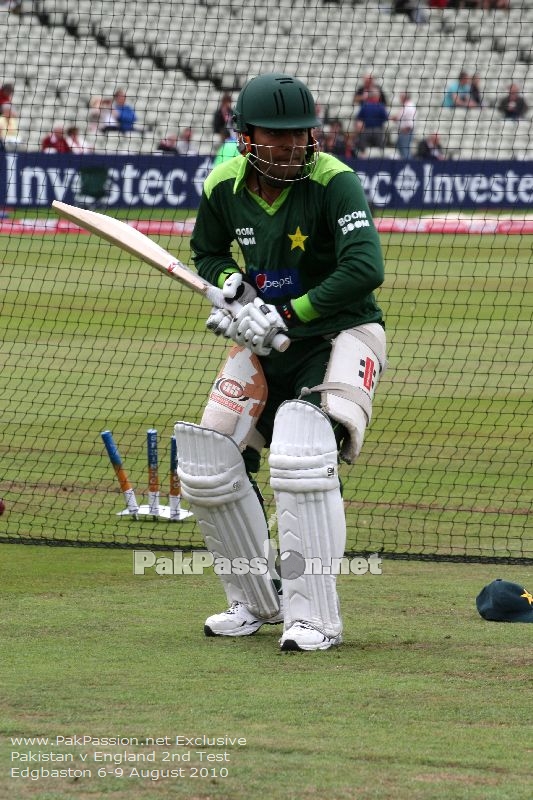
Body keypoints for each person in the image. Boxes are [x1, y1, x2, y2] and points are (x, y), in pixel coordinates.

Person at [175, 73, 386, 653]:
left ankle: (315, 617)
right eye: (277, 135)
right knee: (207, 460)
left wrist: (287, 314)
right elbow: (208, 254)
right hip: (266, 341)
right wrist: (235, 293)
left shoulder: (334, 182)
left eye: (300, 134)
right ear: (246, 137)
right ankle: (254, 599)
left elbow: (366, 268)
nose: (292, 145)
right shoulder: (223, 185)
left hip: (342, 333)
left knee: (301, 450)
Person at [353, 87, 389, 155]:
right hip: (377, 130)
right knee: (381, 148)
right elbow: (385, 118)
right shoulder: (380, 106)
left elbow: (359, 118)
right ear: (377, 96)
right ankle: (382, 158)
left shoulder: (365, 106)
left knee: (362, 147)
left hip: (367, 130)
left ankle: (363, 156)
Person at [390, 91, 416, 159]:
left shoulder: (409, 106)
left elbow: (400, 118)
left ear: (404, 97)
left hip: (406, 131)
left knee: (405, 150)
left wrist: (390, 117)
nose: (400, 98)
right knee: (400, 148)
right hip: (403, 131)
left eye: (401, 97)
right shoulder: (406, 106)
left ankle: (408, 164)